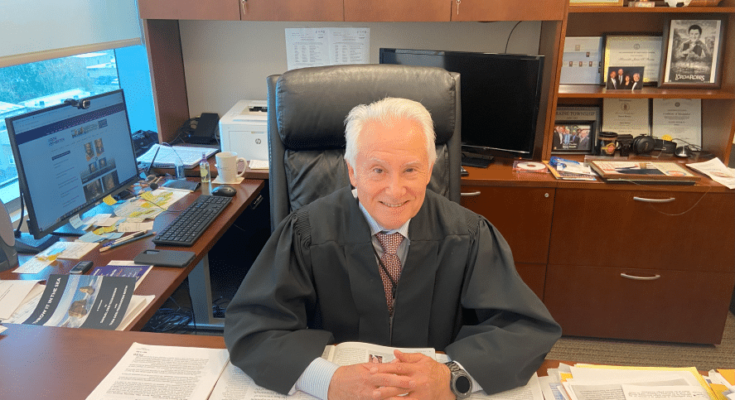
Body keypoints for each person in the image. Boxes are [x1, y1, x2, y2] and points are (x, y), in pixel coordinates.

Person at [224, 97, 562, 400]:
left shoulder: (468, 235)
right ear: (352, 171)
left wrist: (452, 377)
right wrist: (327, 381)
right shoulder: (307, 233)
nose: (395, 190)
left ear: (430, 170)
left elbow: (526, 330)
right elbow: (252, 328)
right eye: (377, 170)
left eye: (410, 169)